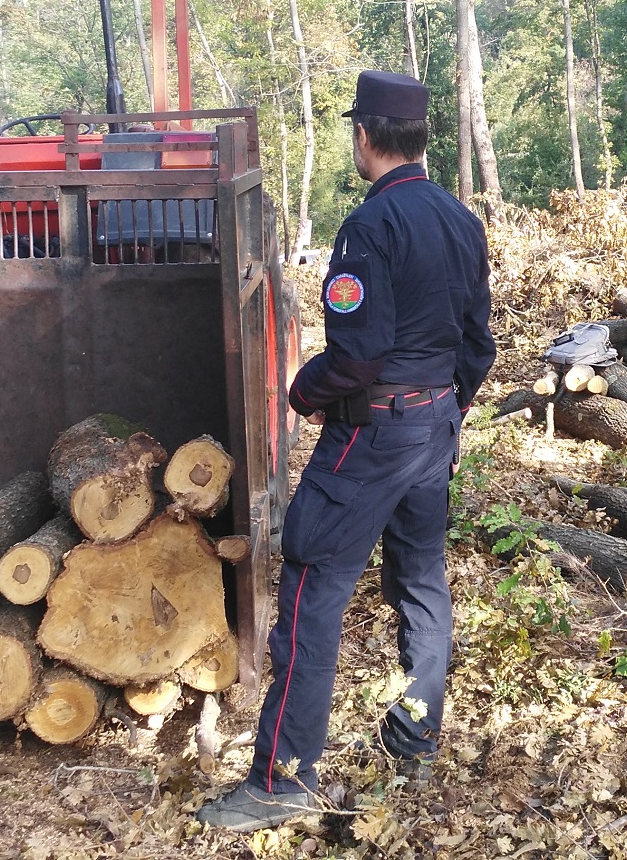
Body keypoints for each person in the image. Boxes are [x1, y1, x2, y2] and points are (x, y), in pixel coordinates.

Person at [197, 70, 494, 833]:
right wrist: (445, 414)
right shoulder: (462, 221)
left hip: (372, 433)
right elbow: (478, 346)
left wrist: (302, 392)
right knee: (422, 583)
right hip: (433, 430)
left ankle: (280, 778)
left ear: (364, 135)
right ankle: (415, 736)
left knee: (310, 588)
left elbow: (357, 358)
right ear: (418, 139)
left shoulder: (370, 229)